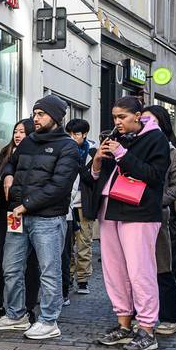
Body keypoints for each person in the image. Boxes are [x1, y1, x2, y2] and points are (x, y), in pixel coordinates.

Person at [0, 95, 80, 340]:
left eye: (41, 114)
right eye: (35, 114)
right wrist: (8, 176)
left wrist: (27, 205)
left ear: (56, 117)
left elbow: (60, 186)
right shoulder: (29, 141)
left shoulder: (68, 146)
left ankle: (49, 320)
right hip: (18, 216)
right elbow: (10, 163)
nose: (36, 118)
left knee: (49, 271)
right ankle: (16, 315)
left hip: (47, 219)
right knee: (10, 268)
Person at [91, 97, 172, 350]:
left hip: (139, 211)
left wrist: (122, 154)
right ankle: (124, 324)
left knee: (140, 271)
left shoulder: (155, 139)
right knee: (114, 271)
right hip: (110, 208)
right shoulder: (119, 138)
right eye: (115, 117)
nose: (117, 122)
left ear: (137, 116)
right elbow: (96, 176)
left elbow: (154, 176)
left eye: (122, 117)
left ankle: (147, 328)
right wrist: (96, 161)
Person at [0, 119, 40, 323]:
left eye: (22, 131)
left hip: (27, 213)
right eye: (16, 131)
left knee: (28, 263)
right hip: (4, 215)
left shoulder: (35, 152)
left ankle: (27, 306)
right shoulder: (6, 153)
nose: (18, 135)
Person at [143, 106, 176, 336]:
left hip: (159, 217)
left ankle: (169, 316)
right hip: (133, 216)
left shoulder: (173, 152)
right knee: (139, 270)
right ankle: (143, 316)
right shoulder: (134, 148)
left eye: (150, 120)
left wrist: (157, 201)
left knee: (163, 268)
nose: (145, 124)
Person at [65, 118, 96, 295]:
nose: (72, 137)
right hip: (67, 203)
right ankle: (68, 276)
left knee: (84, 241)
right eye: (69, 133)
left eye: (76, 134)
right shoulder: (64, 149)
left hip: (84, 202)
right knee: (67, 243)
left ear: (84, 134)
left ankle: (83, 279)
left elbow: (93, 178)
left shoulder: (92, 152)